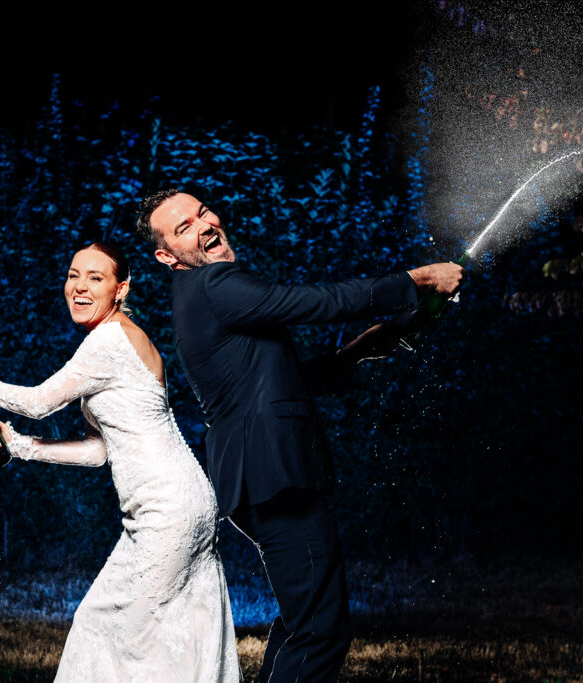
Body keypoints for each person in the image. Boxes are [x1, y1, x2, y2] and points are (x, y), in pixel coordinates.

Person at [136, 189, 464, 682]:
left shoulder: (201, 297)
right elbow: (313, 302)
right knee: (320, 630)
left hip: (260, 475)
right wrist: (415, 280)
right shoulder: (212, 283)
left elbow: (267, 383)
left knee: (302, 622)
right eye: (183, 228)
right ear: (166, 256)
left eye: (202, 213)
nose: (203, 225)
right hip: (272, 474)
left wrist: (355, 352)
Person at [0, 242, 241, 683]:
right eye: (73, 275)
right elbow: (100, 450)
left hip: (166, 510)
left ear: (120, 289)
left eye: (96, 278)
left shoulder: (109, 340)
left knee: (112, 632)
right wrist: (22, 445)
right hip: (181, 504)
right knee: (162, 632)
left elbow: (38, 401)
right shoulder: (122, 339)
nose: (80, 287)